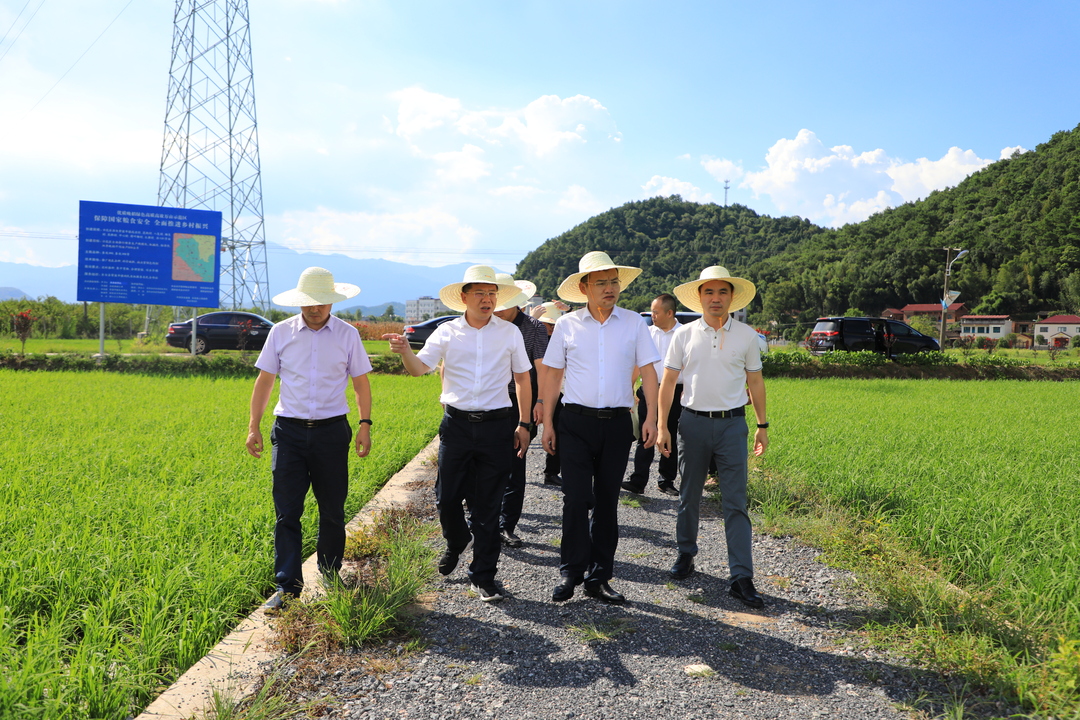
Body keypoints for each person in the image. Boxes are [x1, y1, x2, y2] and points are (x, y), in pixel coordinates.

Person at [382, 266, 532, 603]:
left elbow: (522, 378)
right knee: (446, 498)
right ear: (463, 298)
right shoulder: (446, 332)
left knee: (488, 506)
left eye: (492, 293)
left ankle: (483, 576)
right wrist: (406, 350)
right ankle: (456, 539)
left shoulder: (509, 333)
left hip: (497, 426)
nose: (487, 299)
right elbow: (420, 368)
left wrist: (524, 424)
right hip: (457, 426)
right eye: (479, 293)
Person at [246, 267, 373, 610]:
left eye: (321, 302)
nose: (314, 308)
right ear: (300, 301)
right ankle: (287, 587)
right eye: (308, 302)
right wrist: (253, 426)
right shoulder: (281, 333)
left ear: (331, 301)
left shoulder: (347, 335)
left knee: (332, 509)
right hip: (288, 432)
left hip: (332, 431)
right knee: (287, 512)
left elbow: (361, 383)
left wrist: (364, 424)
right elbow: (264, 382)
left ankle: (330, 575)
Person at [540, 251, 660, 605]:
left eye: (613, 282)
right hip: (574, 421)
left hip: (617, 424)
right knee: (576, 498)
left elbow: (650, 371)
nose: (609, 289)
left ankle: (599, 577)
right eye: (601, 283)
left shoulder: (634, 323)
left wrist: (652, 417)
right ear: (584, 288)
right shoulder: (567, 325)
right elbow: (552, 375)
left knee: (607, 501)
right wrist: (547, 421)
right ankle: (571, 571)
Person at [657, 266, 769, 609]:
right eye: (709, 293)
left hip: (733, 425)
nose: (716, 299)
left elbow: (756, 382)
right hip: (692, 423)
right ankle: (686, 555)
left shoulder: (747, 336)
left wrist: (763, 425)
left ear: (731, 297)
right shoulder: (684, 334)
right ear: (700, 297)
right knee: (689, 495)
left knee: (735, 502)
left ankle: (741, 575)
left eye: (722, 293)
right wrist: (662, 425)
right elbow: (667, 382)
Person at [492, 273, 548, 548]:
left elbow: (542, 369)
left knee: (516, 462)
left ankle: (506, 525)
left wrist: (540, 403)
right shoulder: (484, 325)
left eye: (504, 301)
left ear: (516, 302)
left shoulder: (533, 327)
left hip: (519, 401)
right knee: (484, 463)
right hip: (489, 401)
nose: (497, 307)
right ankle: (481, 521)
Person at [622, 293, 682, 497]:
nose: (652, 315)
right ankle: (638, 481)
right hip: (649, 389)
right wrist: (629, 389)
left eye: (656, 312)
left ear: (670, 313)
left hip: (676, 392)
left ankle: (666, 481)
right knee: (645, 434)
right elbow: (637, 364)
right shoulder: (647, 333)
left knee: (670, 434)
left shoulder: (684, 334)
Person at [534, 302, 566, 487]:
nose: (552, 328)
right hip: (534, 392)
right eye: (549, 324)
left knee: (557, 432)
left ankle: (551, 472)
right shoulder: (534, 338)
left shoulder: (561, 339)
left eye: (555, 324)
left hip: (558, 393)